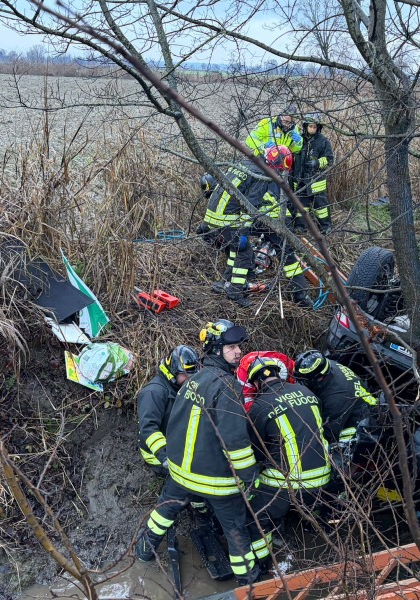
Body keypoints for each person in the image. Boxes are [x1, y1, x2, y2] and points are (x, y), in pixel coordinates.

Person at [135, 320, 261, 585]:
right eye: (233, 346)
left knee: (164, 512)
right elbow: (235, 440)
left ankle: (143, 553)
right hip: (216, 482)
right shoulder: (227, 386)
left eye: (239, 346)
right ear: (217, 348)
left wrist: (175, 462)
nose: (239, 352)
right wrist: (249, 477)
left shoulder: (195, 381)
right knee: (236, 532)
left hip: (181, 475)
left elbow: (176, 425)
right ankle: (249, 585)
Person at [244, 355, 331, 566]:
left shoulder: (259, 407)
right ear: (279, 374)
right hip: (324, 480)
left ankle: (265, 563)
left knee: (255, 520)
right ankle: (319, 533)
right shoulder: (307, 392)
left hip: (288, 484)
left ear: (255, 384)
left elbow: (256, 450)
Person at [200, 145, 309, 308]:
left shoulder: (246, 164)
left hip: (213, 216)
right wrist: (243, 232)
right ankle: (235, 292)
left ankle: (224, 283)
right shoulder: (262, 175)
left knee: (234, 249)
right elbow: (249, 206)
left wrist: (205, 224)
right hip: (228, 220)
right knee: (244, 253)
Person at [137, 345, 200, 477]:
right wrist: (165, 457)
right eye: (184, 375)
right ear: (172, 373)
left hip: (177, 446)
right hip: (158, 457)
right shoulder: (153, 393)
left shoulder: (178, 386)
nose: (190, 380)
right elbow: (148, 428)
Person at [293, 350, 380, 445]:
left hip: (362, 423)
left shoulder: (335, 399)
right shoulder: (326, 365)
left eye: (304, 380)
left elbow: (327, 433)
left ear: (318, 378)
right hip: (356, 402)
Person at [291, 113, 335, 234]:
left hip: (316, 180)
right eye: (310, 126)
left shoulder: (323, 141)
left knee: (321, 207)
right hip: (300, 179)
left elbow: (329, 159)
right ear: (305, 126)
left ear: (318, 128)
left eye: (315, 127)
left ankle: (325, 227)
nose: (312, 129)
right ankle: (300, 226)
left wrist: (317, 163)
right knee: (301, 205)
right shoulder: (298, 140)